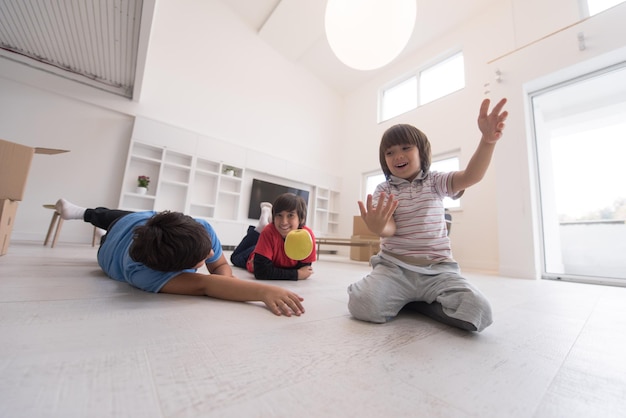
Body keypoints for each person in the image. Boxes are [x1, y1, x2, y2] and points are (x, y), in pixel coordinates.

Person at [347, 98, 508, 332]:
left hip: (438, 270)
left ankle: (415, 302)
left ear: (422, 152)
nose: (397, 156)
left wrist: (487, 140)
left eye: (405, 148)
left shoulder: (436, 181)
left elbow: (471, 176)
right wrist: (379, 227)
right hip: (395, 268)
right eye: (389, 153)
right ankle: (406, 297)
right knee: (362, 305)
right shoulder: (385, 189)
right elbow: (390, 228)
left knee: (479, 311)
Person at [54, 198, 305, 317]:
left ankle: (89, 216)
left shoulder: (201, 228)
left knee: (123, 215)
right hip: (112, 245)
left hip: (139, 219)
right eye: (202, 257)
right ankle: (95, 224)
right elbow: (206, 284)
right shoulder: (143, 274)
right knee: (110, 226)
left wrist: (225, 278)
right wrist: (262, 292)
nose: (210, 253)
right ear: (175, 268)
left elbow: (219, 268)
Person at [230, 193, 316, 280]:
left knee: (265, 237)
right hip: (256, 253)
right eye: (279, 215)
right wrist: (296, 274)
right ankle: (258, 230)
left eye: (290, 215)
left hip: (269, 249)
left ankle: (261, 229)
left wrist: (272, 270)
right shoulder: (268, 231)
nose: (284, 221)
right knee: (234, 258)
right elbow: (261, 272)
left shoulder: (307, 235)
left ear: (301, 219)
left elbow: (305, 269)